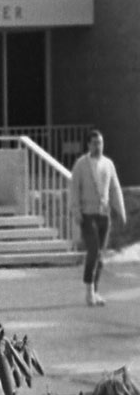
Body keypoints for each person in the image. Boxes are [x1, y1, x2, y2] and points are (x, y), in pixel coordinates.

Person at [71, 130, 126, 306]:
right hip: (88, 215)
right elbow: (74, 189)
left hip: (104, 214)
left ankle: (95, 291)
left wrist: (121, 210)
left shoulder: (108, 164)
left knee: (100, 255)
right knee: (93, 251)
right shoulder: (81, 164)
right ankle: (88, 292)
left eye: (100, 142)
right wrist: (76, 211)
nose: (98, 146)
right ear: (88, 145)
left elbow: (115, 187)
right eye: (94, 143)